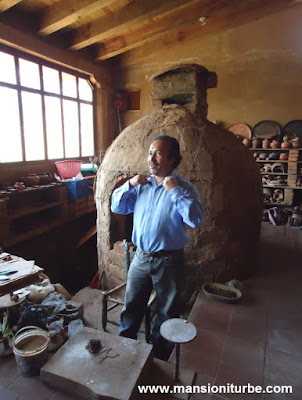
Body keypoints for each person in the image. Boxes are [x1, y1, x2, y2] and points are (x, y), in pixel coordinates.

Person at [111, 135, 204, 358]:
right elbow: (117, 206)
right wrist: (130, 183)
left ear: (172, 159)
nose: (151, 158)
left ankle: (158, 358)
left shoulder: (184, 188)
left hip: (169, 261)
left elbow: (195, 220)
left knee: (166, 312)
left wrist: (174, 191)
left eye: (159, 153)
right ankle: (125, 352)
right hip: (141, 258)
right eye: (150, 152)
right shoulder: (142, 185)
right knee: (131, 307)